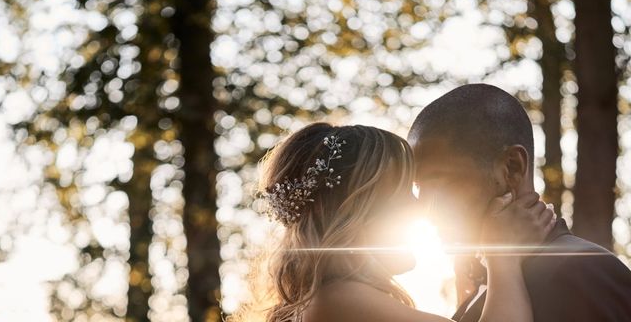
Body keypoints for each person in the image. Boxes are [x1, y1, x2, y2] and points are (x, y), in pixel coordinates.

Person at [231, 122, 555, 322]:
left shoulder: (325, 299)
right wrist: (504, 258)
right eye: (404, 193)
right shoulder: (340, 300)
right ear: (358, 211)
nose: (421, 209)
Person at [408, 83, 631, 322]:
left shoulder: (582, 272)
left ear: (512, 168)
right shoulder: (490, 287)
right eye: (419, 187)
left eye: (438, 182)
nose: (424, 210)